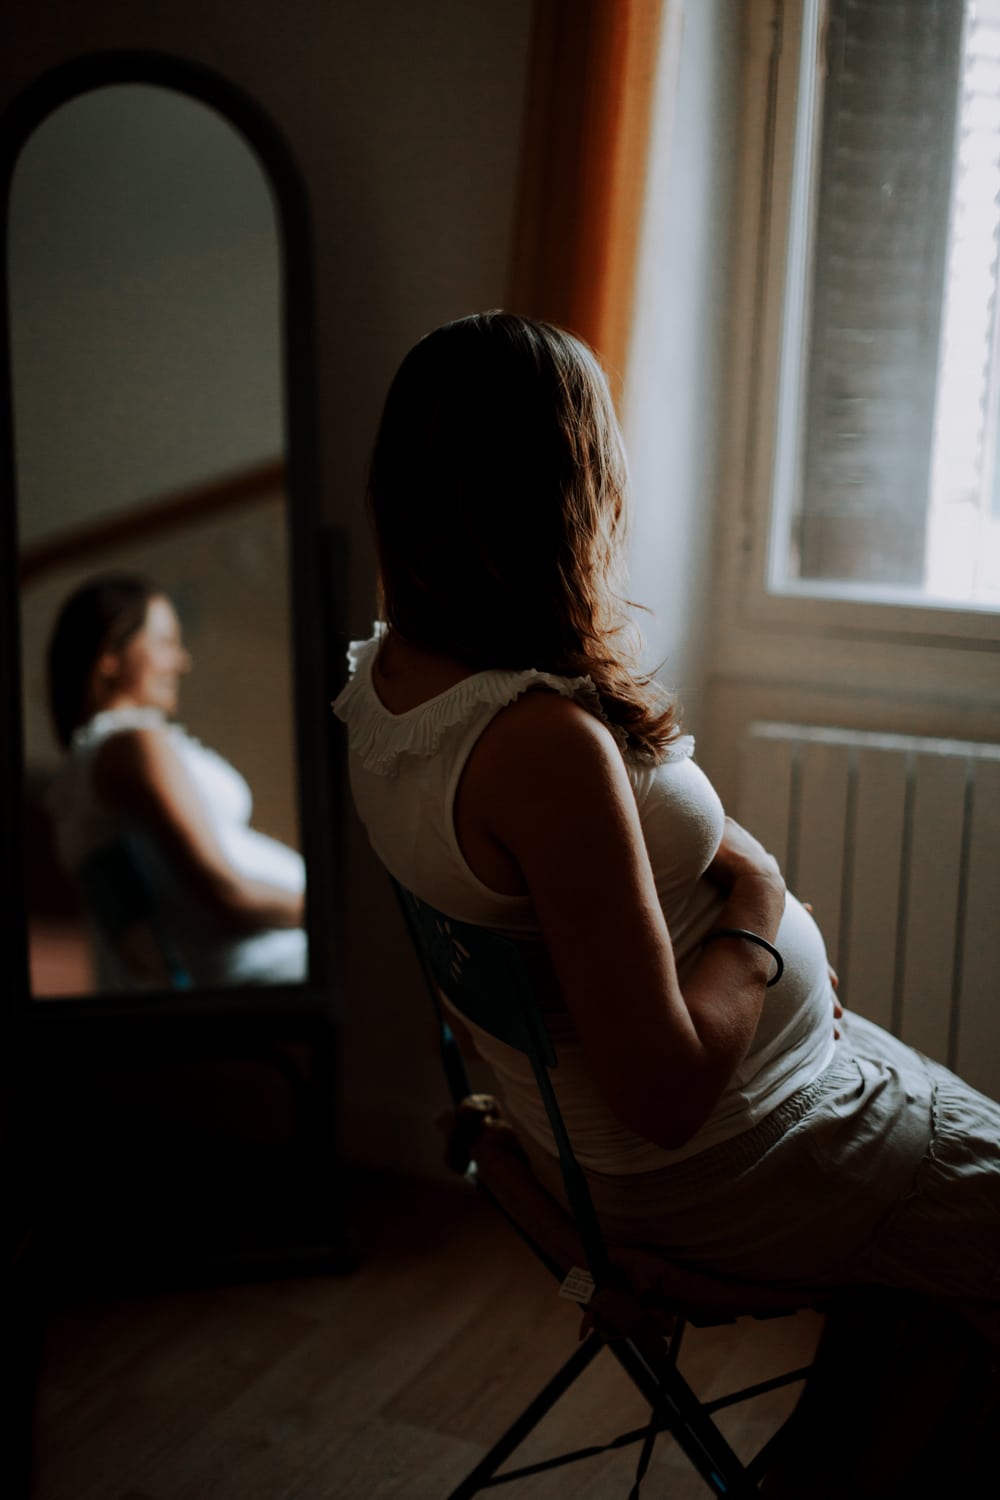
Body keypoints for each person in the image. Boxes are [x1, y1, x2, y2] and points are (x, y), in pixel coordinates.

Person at [333, 312, 1000, 1491]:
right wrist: (761, 912)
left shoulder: (388, 690)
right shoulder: (537, 744)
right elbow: (665, 1096)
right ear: (562, 492)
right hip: (710, 1165)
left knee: (934, 1297)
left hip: (703, 1122)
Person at [46, 574, 307, 988]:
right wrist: (331, 907)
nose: (181, 662)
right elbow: (226, 891)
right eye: (166, 642)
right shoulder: (131, 744)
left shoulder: (92, 761)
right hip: (270, 965)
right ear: (110, 656)